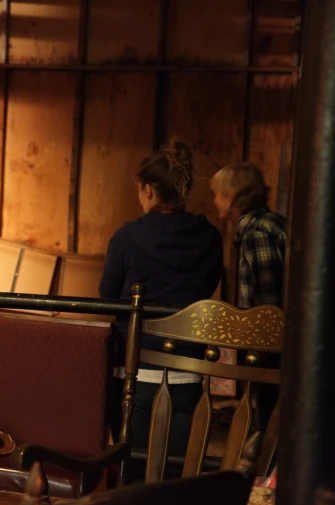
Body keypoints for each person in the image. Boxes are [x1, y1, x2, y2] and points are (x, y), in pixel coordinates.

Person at [100, 137, 223, 459]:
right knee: (178, 468)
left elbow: (108, 297)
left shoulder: (126, 238)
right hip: (190, 369)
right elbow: (209, 286)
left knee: (134, 465)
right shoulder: (210, 236)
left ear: (149, 190)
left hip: (135, 370)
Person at [211, 162, 286, 430]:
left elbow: (269, 305)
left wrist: (258, 350)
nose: (214, 199)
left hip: (273, 352)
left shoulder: (257, 233)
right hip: (275, 351)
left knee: (270, 423)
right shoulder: (267, 224)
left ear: (231, 198)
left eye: (218, 193)